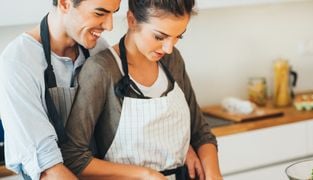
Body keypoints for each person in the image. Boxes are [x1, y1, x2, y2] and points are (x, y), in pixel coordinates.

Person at [62, 0, 223, 179]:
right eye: (159, 37)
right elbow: (73, 157)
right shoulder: (102, 70)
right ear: (132, 20)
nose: (169, 48)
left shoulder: (172, 61)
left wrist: (213, 174)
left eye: (179, 36)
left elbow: (201, 133)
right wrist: (146, 175)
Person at [0, 0, 121, 179]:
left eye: (113, 13)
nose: (110, 26)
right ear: (65, 3)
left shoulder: (99, 50)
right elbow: (49, 170)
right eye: (100, 13)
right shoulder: (18, 62)